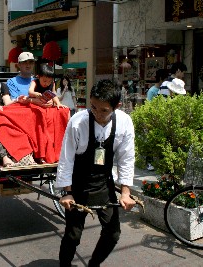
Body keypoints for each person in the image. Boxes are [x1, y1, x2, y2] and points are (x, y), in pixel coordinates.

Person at [56, 79, 136, 267]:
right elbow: (66, 158)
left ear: (117, 106)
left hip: (104, 183)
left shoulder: (124, 122)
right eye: (93, 107)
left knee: (113, 233)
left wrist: (125, 192)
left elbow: (126, 157)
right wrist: (67, 192)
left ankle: (94, 264)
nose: (97, 114)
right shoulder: (78, 122)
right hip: (78, 183)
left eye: (104, 110)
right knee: (73, 235)